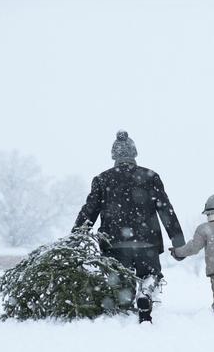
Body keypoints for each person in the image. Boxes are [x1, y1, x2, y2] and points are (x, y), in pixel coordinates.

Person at [73, 130, 185, 323]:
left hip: (115, 244)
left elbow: (89, 211)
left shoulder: (102, 179)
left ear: (113, 155)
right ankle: (146, 292)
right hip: (147, 242)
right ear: (134, 153)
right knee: (150, 275)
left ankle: (123, 313)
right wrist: (178, 242)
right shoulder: (150, 176)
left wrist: (75, 238)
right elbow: (166, 210)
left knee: (119, 283)